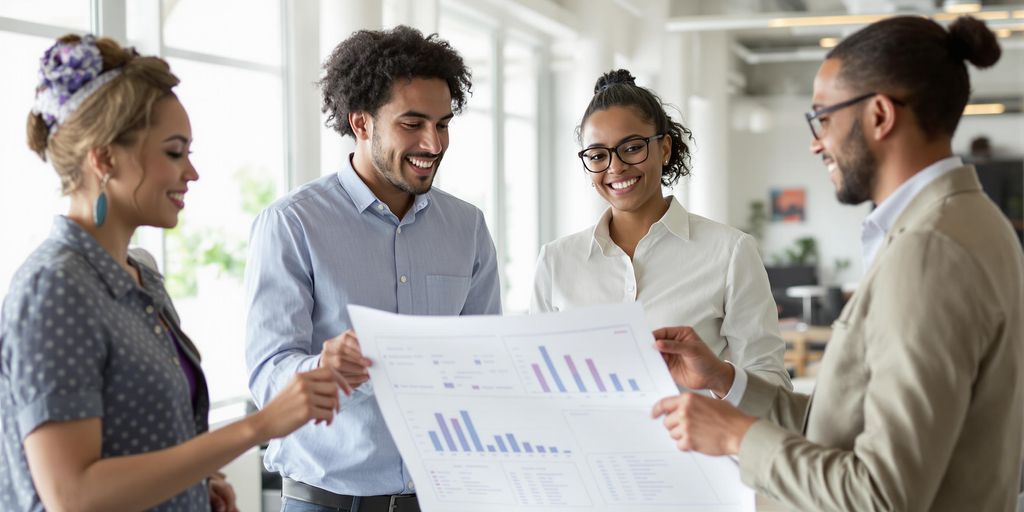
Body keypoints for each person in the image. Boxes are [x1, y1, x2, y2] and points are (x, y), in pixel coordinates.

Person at [651, 15, 1024, 511]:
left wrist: (739, 439)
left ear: (879, 115)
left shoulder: (929, 249)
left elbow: (882, 493)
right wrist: (725, 380)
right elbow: (849, 425)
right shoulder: (969, 222)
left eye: (822, 117)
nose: (815, 141)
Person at [0, 34, 350, 512]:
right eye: (173, 152)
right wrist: (259, 426)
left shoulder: (140, 275)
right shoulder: (54, 287)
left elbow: (132, 445)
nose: (192, 172)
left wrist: (192, 487)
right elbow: (72, 495)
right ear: (103, 158)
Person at [244, 25, 501, 512]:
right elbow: (266, 377)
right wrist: (324, 370)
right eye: (412, 123)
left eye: (443, 123)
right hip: (325, 501)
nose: (434, 142)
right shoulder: (292, 224)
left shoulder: (466, 227)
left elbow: (482, 361)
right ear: (361, 123)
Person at [531, 69, 791, 400]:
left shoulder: (730, 252)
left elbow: (773, 387)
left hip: (695, 448)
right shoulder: (556, 261)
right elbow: (536, 380)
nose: (615, 167)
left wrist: (718, 376)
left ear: (664, 148)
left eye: (632, 147)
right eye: (598, 155)